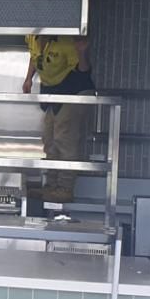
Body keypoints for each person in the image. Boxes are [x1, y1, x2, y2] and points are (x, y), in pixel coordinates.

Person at [22, 34, 94, 209]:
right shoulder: (31, 36)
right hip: (52, 90)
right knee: (49, 138)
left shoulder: (66, 41)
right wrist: (28, 78)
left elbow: (83, 70)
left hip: (73, 90)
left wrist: (82, 52)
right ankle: (51, 185)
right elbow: (34, 57)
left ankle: (65, 188)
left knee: (64, 138)